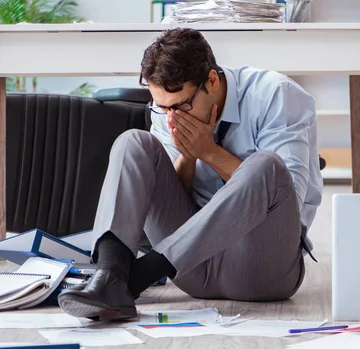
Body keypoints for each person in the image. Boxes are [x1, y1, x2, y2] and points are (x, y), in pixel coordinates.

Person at [58, 27, 323, 321]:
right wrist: (188, 154)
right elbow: (167, 196)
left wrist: (209, 152)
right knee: (133, 142)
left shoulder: (275, 94)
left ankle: (137, 278)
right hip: (191, 268)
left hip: (260, 266)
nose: (173, 117)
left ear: (211, 80)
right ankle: (110, 276)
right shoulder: (166, 111)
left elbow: (290, 197)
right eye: (163, 107)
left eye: (182, 105)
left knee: (267, 166)